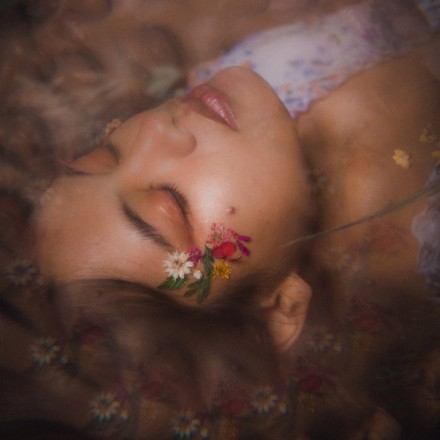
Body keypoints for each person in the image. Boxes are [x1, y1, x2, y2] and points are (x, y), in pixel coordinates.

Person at [0, 0, 439, 438]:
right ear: (280, 309)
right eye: (171, 204)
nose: (154, 129)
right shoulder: (414, 251)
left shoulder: (233, 90)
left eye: (105, 153)